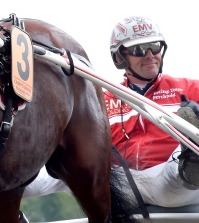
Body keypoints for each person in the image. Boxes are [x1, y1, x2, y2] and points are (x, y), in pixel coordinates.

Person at [23, 15, 199, 208]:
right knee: (67, 165)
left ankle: (191, 159)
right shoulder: (101, 101)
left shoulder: (190, 89)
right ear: (119, 57)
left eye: (155, 47)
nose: (149, 55)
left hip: (170, 182)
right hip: (120, 184)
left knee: (184, 150)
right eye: (138, 50)